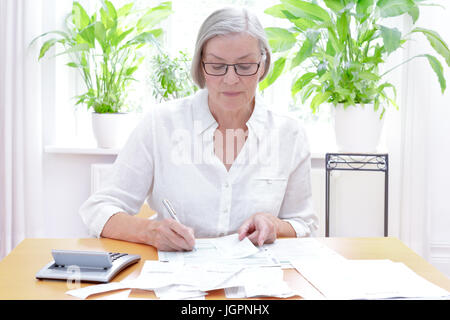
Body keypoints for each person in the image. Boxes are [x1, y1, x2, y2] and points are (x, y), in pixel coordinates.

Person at [79, 7, 318, 251]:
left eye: (245, 66)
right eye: (217, 65)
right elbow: (99, 209)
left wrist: (273, 224)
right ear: (200, 65)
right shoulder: (161, 124)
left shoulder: (289, 133)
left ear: (263, 64)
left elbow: (303, 223)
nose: (231, 79)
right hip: (177, 277)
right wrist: (150, 232)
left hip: (258, 278)